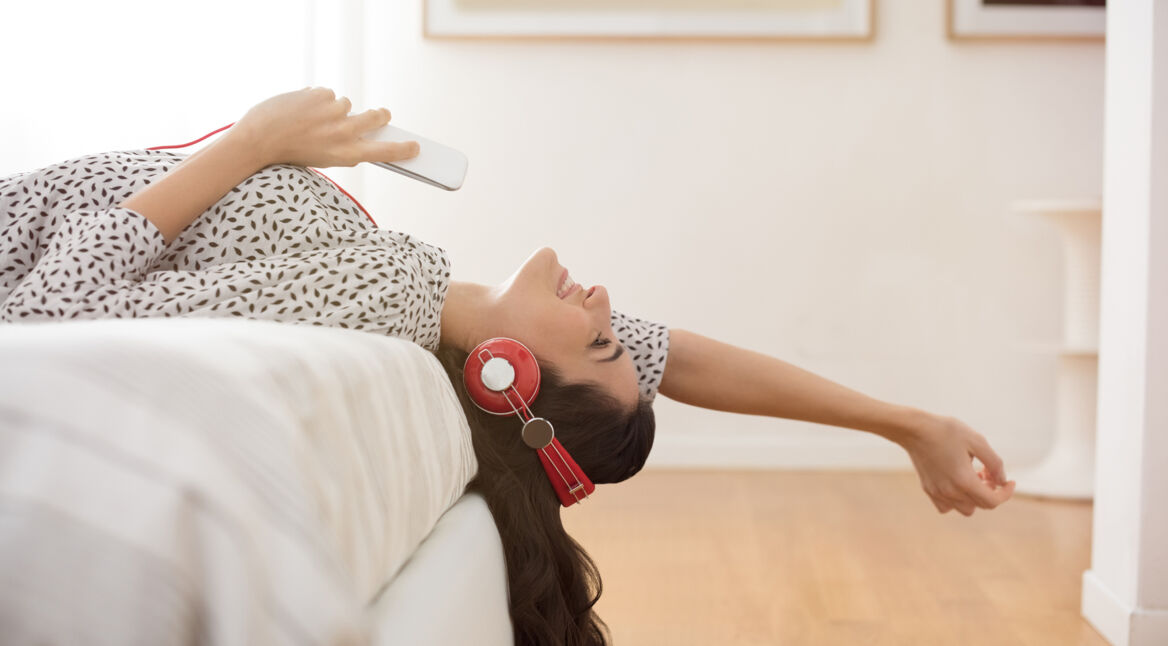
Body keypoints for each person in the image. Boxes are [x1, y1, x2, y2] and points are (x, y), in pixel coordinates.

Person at [0, 87, 1016, 645]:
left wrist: (251, 141)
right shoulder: (411, 293)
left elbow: (45, 306)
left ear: (500, 375)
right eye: (624, 339)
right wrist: (905, 422)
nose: (612, 308)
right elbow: (687, 358)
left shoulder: (371, 306)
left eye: (601, 340)